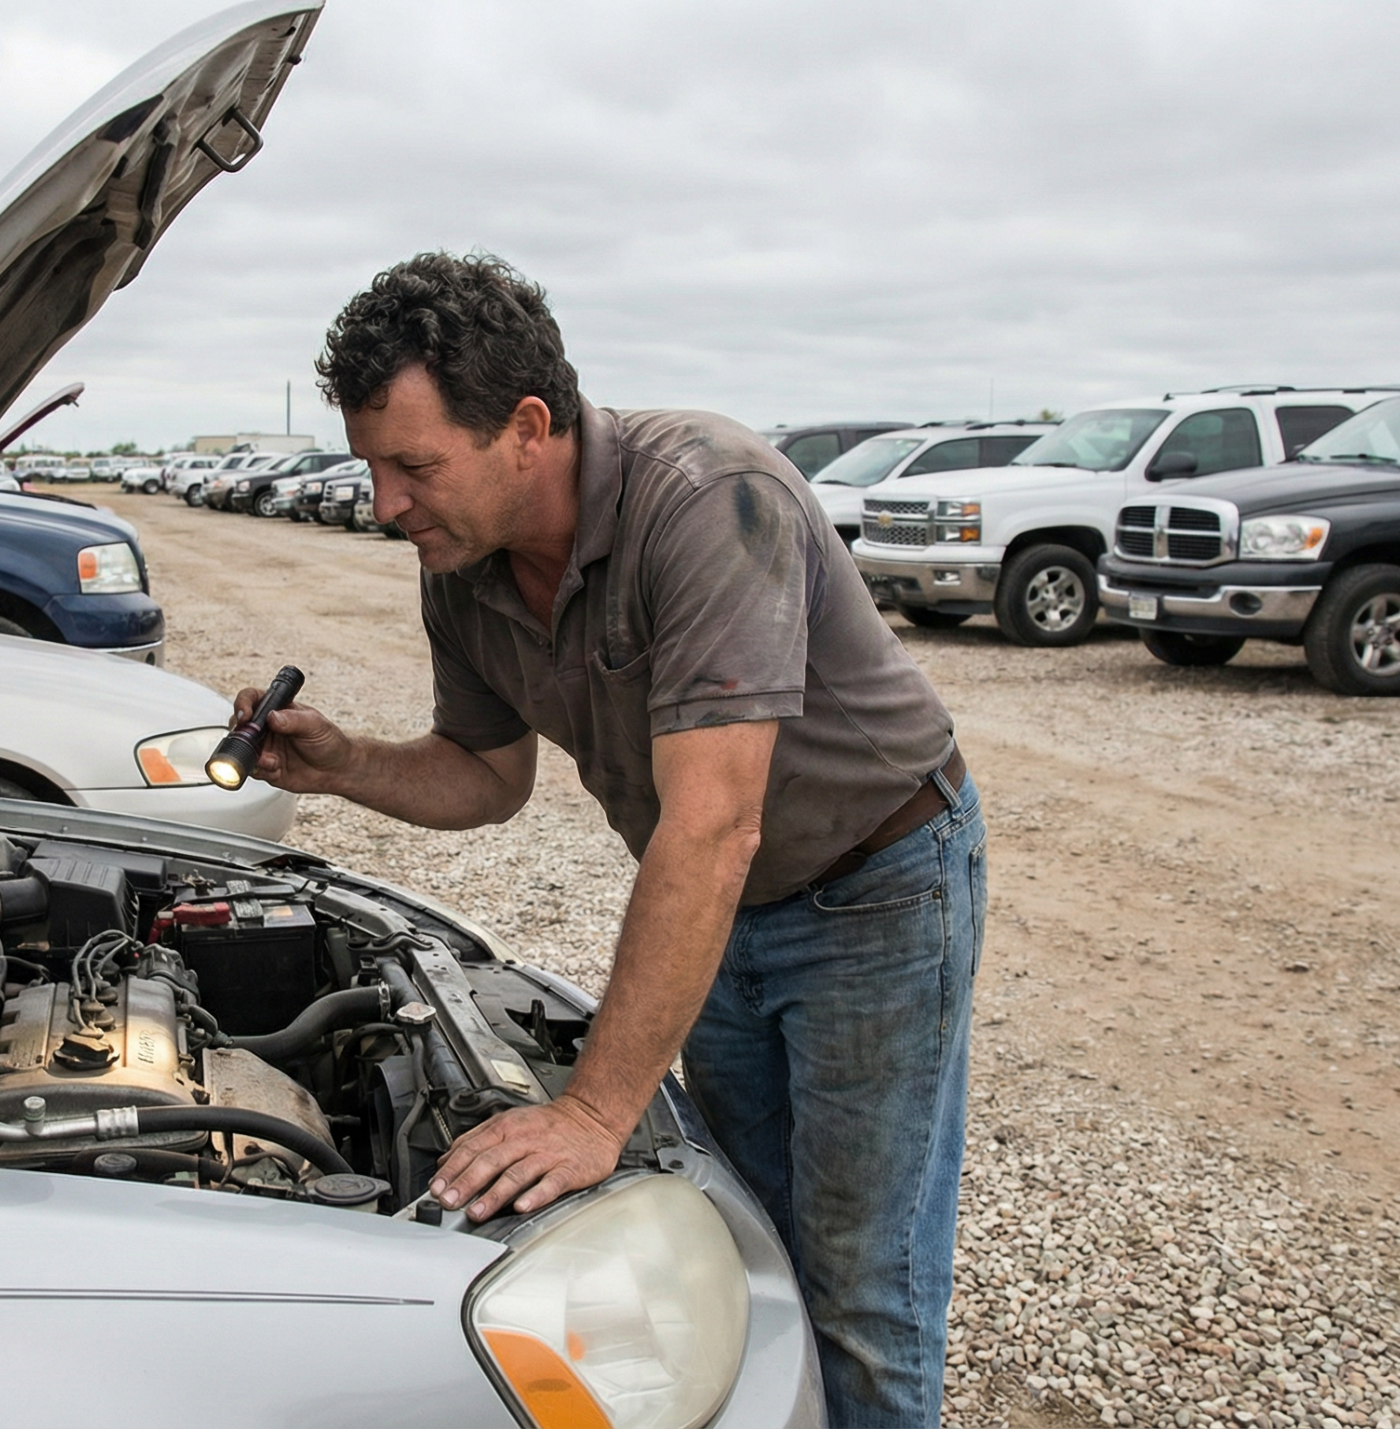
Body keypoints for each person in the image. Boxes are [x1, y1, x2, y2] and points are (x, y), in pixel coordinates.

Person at [234, 252, 985, 1425]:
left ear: (526, 427)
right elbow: (485, 778)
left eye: (412, 466)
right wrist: (343, 768)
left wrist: (594, 1111)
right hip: (725, 902)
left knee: (861, 1281)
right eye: (370, 466)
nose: (384, 505)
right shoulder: (464, 568)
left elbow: (713, 820)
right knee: (753, 1245)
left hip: (873, 887)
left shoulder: (707, 497)